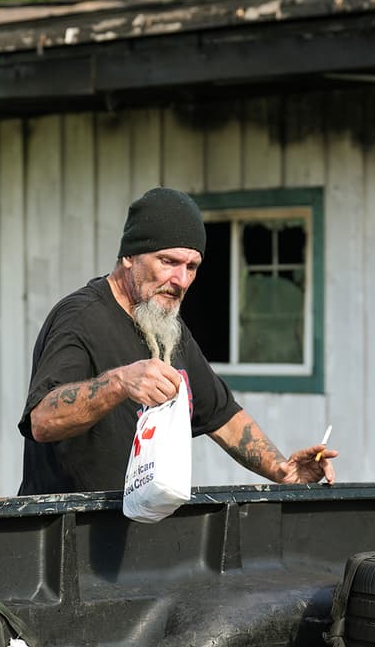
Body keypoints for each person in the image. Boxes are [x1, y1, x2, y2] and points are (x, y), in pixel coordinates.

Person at [18, 187, 336, 494]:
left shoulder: (167, 327)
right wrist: (118, 383)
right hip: (67, 535)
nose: (181, 280)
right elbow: (42, 421)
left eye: (192, 266)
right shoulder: (80, 317)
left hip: (142, 530)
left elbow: (222, 416)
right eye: (168, 262)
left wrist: (283, 470)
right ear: (129, 255)